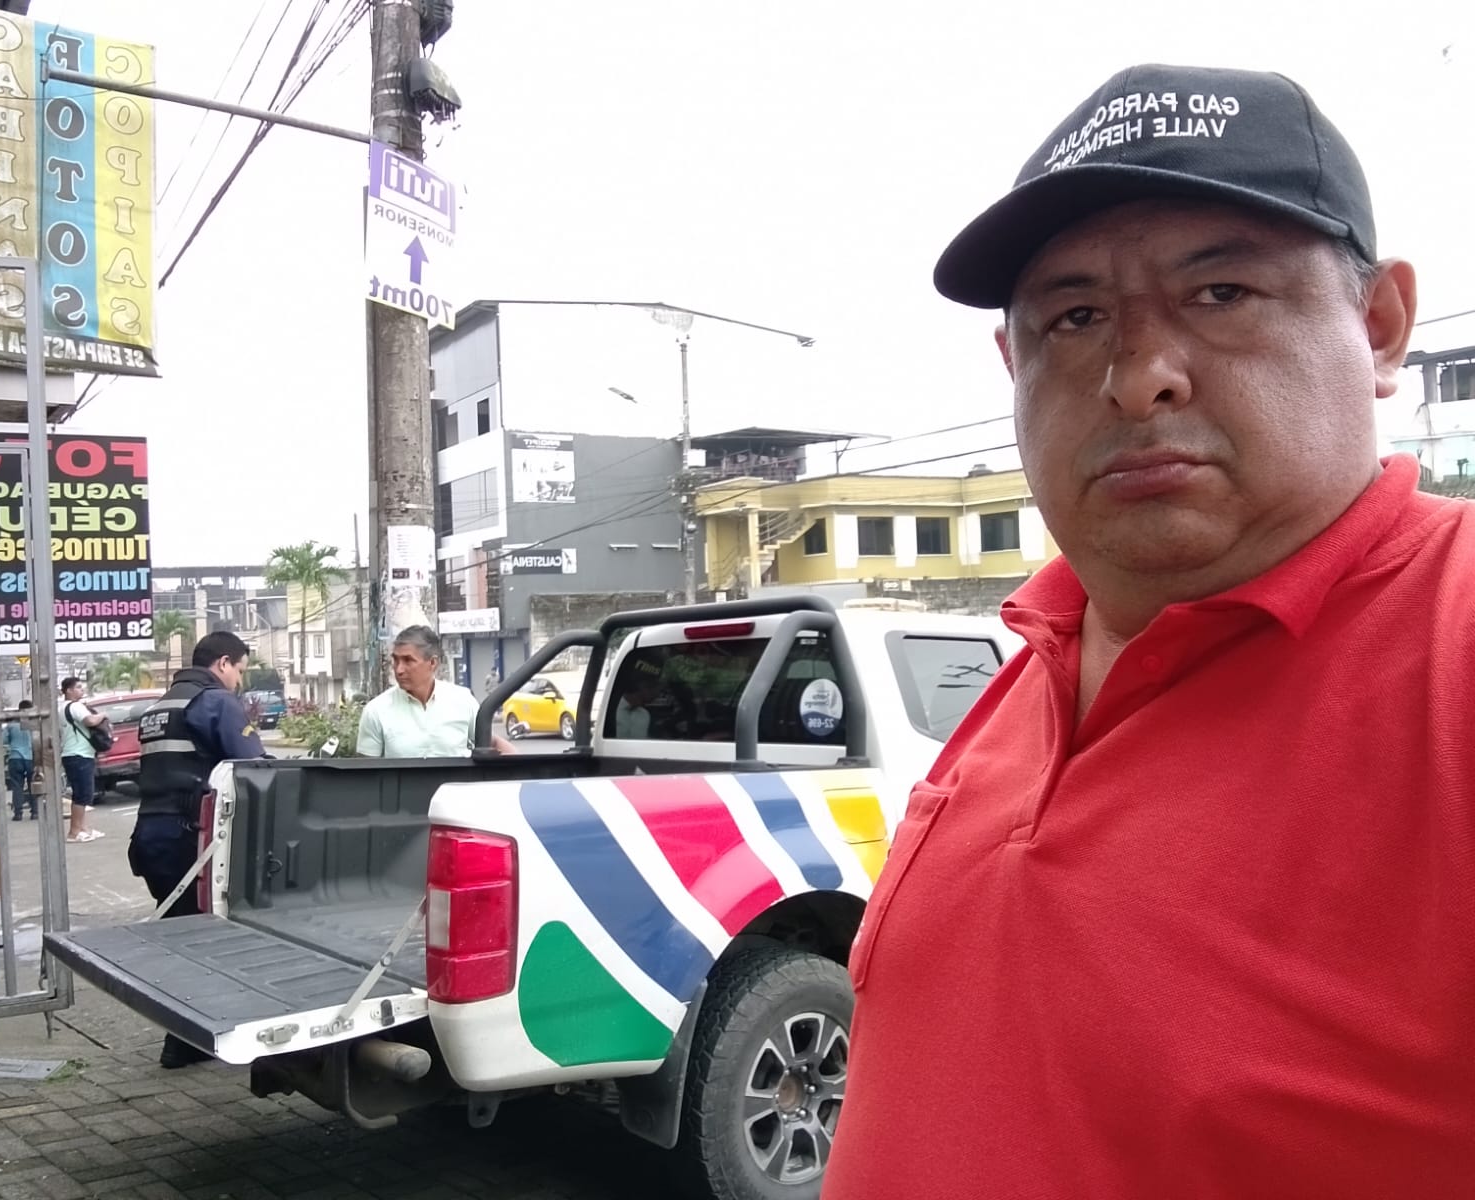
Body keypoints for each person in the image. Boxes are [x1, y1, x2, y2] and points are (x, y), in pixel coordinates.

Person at [823, 64, 1475, 1200]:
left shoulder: (1451, 645)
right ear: (1013, 367)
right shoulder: (1033, 659)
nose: (1137, 378)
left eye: (1220, 293)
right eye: (1075, 318)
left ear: (1379, 330)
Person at [130, 630, 266, 1069]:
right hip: (192, 839)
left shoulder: (159, 707)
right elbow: (255, 767)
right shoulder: (215, 702)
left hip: (151, 839)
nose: (238, 681)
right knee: (206, 939)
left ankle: (187, 1039)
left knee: (181, 935)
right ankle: (188, 1038)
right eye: (239, 671)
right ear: (223, 663)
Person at [356, 626, 514, 757]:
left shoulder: (462, 700)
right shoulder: (376, 711)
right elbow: (367, 773)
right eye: (396, 660)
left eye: (408, 660)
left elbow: (491, 743)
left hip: (455, 786)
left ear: (432, 663)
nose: (399, 670)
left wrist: (519, 770)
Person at [58, 677, 109, 843]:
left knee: (83, 793)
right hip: (79, 754)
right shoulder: (75, 706)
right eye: (78, 687)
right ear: (68, 690)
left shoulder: (61, 708)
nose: (82, 690)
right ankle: (74, 832)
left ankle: (83, 828)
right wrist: (103, 715)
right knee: (82, 794)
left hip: (72, 754)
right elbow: (90, 721)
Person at [612, 660, 662, 739]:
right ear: (644, 686)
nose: (658, 694)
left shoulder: (644, 715)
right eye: (657, 688)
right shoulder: (611, 712)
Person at [5, 699, 35, 820]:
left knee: (17, 786)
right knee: (33, 785)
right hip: (31, 758)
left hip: (15, 757)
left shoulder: (12, 725)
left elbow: (3, 740)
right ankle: (35, 812)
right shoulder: (34, 725)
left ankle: (18, 813)